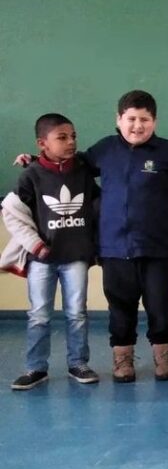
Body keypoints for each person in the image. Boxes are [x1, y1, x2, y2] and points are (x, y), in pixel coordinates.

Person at [65, 90, 168, 382]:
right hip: (114, 247)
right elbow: (68, 167)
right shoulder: (104, 150)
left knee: (160, 303)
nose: (137, 125)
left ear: (154, 122)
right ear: (119, 119)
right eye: (131, 118)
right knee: (120, 305)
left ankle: (163, 355)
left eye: (144, 119)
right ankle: (123, 358)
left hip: (160, 248)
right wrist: (36, 160)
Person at [2, 114, 99, 389]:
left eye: (73, 136)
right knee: (39, 314)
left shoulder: (82, 171)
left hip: (76, 257)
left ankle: (78, 363)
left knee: (77, 313)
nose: (71, 142)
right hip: (42, 259)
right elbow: (11, 212)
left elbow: (99, 203)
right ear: (42, 143)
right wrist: (35, 244)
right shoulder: (30, 175)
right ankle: (36, 368)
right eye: (62, 137)